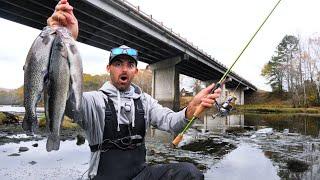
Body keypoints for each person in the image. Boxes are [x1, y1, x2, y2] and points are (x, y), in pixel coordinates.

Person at [47, 0, 222, 179]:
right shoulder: (94, 101)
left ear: (135, 71)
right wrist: (65, 40)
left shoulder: (145, 101)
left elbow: (171, 122)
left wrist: (190, 109)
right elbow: (63, 97)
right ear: (108, 69)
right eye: (118, 64)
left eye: (130, 65)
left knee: (190, 173)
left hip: (140, 175)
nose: (124, 69)